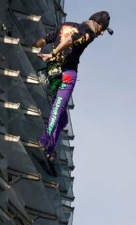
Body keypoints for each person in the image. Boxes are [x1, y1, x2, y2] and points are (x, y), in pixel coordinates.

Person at [36, 11, 113, 161]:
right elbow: (70, 41)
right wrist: (53, 53)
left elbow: (48, 38)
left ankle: (49, 150)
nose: (102, 33)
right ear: (97, 23)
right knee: (57, 110)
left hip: (54, 73)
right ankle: (43, 143)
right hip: (67, 76)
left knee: (63, 119)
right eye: (102, 29)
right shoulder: (88, 33)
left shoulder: (68, 25)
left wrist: (32, 47)